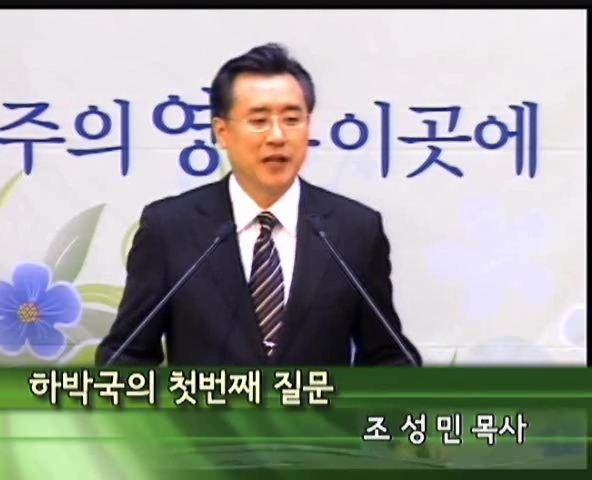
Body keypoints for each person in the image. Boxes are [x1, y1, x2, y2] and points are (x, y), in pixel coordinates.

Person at [95, 43, 422, 367]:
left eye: (292, 119)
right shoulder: (170, 229)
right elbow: (126, 358)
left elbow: (389, 357)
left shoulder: (354, 230)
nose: (277, 136)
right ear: (222, 132)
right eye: (259, 120)